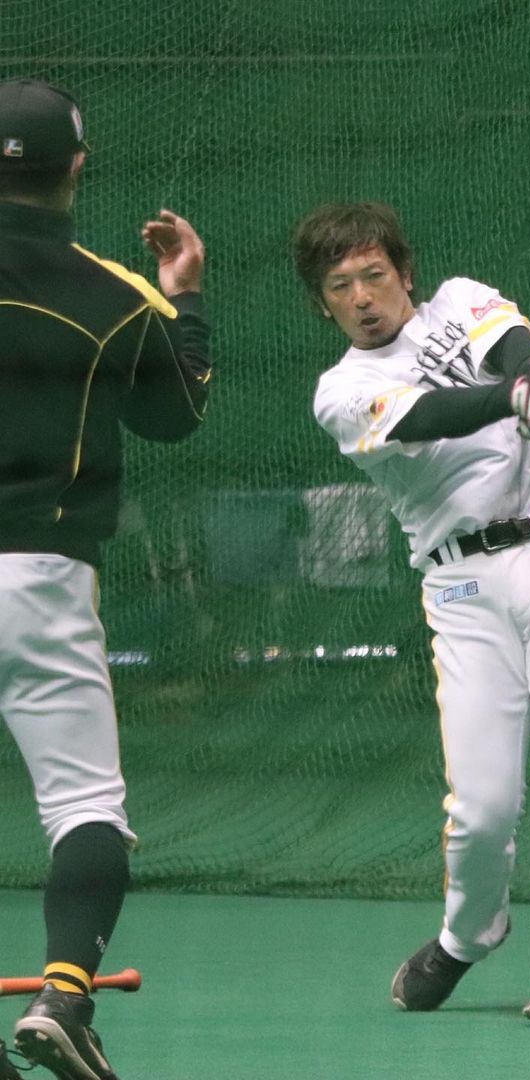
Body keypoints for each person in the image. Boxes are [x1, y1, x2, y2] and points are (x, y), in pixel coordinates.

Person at [293, 201, 530, 1026]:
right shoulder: (342, 392)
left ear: (404, 273)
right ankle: (468, 933)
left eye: (374, 275)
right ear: (323, 304)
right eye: (340, 286)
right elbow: (428, 415)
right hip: (462, 588)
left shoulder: (461, 300)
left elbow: (512, 345)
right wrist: (515, 399)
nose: (362, 296)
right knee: (481, 810)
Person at [0, 78, 212, 1079]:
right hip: (39, 578)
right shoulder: (117, 295)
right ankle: (64, 998)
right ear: (77, 168)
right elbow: (176, 415)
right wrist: (185, 296)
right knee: (85, 807)